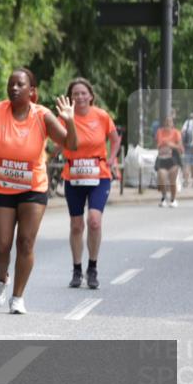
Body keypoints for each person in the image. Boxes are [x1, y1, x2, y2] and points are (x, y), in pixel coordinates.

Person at [0, 68, 77, 315]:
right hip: (2, 188)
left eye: (20, 84)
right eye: (10, 84)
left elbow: (71, 144)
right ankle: (2, 279)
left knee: (25, 242)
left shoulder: (43, 116)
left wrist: (69, 120)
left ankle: (18, 297)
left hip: (33, 187)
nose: (13, 88)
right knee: (1, 247)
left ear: (32, 91)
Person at [61, 78, 120, 290]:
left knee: (94, 221)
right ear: (70, 98)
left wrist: (112, 158)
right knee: (77, 225)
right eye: (75, 94)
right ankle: (77, 270)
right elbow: (59, 141)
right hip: (74, 175)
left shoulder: (101, 116)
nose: (79, 97)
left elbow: (115, 138)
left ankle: (92, 268)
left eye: (83, 93)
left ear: (91, 96)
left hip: (99, 175)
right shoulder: (65, 118)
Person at [155, 115, 183, 207]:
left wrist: (171, 145)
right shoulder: (159, 132)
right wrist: (162, 146)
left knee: (172, 180)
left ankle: (173, 199)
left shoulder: (176, 133)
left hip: (173, 159)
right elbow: (158, 145)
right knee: (162, 178)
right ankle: (163, 198)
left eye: (169, 121)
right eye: (166, 121)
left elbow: (181, 148)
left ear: (172, 124)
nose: (167, 123)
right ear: (164, 123)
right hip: (162, 159)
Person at [181, 109, 193, 189]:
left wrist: (182, 144)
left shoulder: (187, 122)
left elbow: (182, 132)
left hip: (187, 146)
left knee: (186, 164)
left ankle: (186, 182)